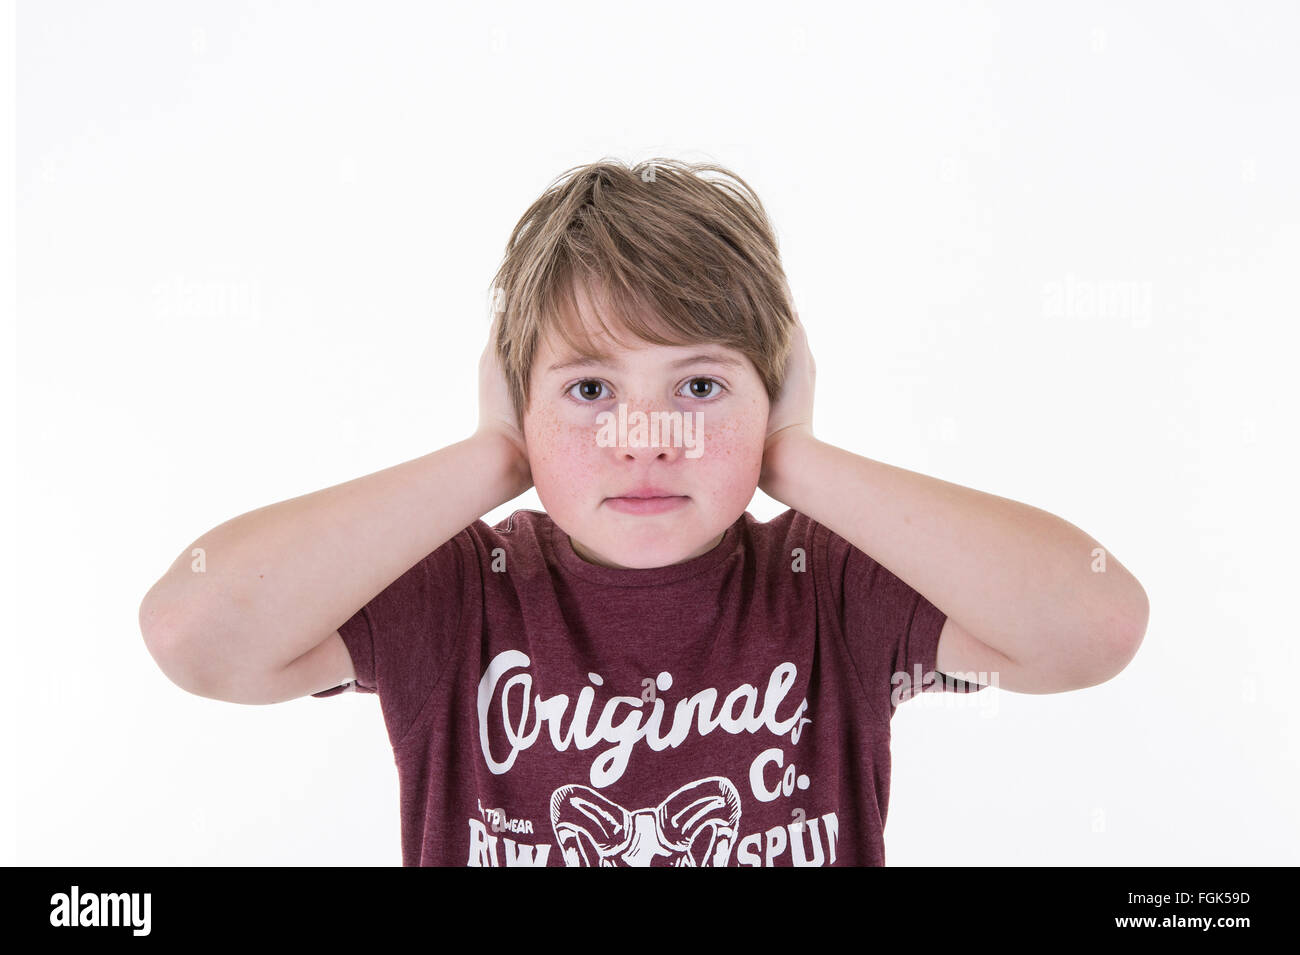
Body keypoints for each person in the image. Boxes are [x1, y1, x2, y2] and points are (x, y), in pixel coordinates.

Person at [138, 158, 1149, 866]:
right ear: (514, 396)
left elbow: (1089, 624)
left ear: (775, 391)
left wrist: (797, 464)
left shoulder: (831, 584)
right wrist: (490, 462)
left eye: (700, 388)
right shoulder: (460, 593)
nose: (646, 436)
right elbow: (199, 635)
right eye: (588, 390)